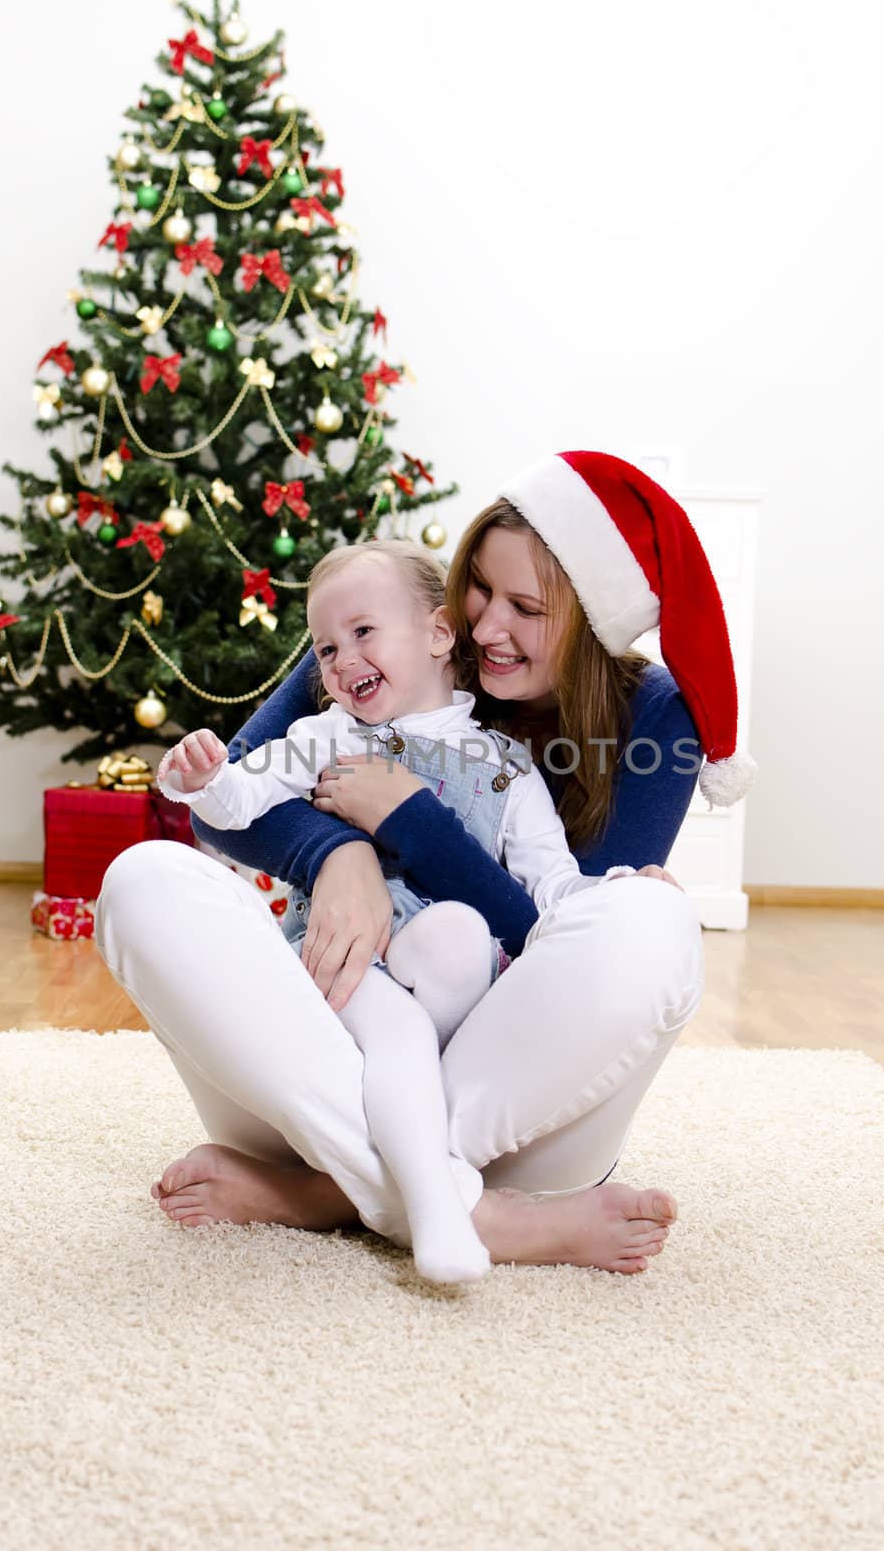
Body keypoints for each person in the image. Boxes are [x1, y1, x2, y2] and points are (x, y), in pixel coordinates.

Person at [96, 450, 755, 1277]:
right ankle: (471, 1212)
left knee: (654, 920)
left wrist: (410, 822)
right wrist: (340, 855)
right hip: (321, 1070)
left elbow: (557, 935)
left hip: (515, 1115)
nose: (484, 627)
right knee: (143, 881)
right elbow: (227, 810)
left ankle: (327, 1196)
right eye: (477, 586)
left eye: (525, 607)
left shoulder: (658, 719)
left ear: (591, 620)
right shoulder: (378, 638)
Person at [154, 540, 649, 1285]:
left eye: (362, 631)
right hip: (350, 958)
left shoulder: (507, 769)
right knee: (393, 1029)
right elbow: (235, 802)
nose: (341, 657)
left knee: (459, 933)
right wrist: (202, 774)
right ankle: (444, 1216)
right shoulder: (323, 737)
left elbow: (555, 895)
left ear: (439, 634)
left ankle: (356, 1187)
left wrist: (624, 893)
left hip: (451, 980)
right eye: (324, 647)